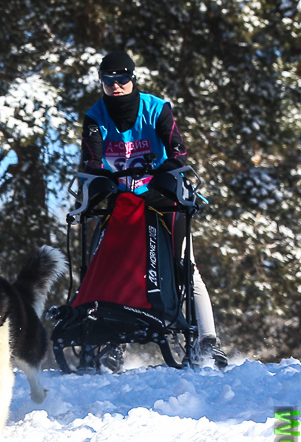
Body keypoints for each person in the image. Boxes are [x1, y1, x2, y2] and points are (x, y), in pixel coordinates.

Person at [79, 50, 228, 369]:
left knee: (184, 264)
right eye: (108, 80)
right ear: (101, 82)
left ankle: (208, 340)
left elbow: (178, 151)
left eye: (122, 78)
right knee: (110, 266)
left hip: (161, 195)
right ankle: (113, 343)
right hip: (122, 200)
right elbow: (91, 160)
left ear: (132, 78)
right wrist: (100, 181)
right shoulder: (95, 116)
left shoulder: (157, 108)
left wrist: (164, 174)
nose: (116, 86)